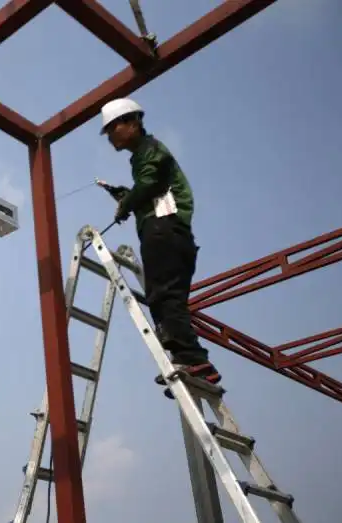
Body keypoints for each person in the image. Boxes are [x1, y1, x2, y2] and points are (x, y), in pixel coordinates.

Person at [99, 97, 221, 393]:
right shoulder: (143, 156)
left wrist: (127, 202)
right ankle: (190, 361)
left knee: (164, 296)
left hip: (164, 231)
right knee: (166, 299)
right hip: (170, 233)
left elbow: (150, 184)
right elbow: (152, 188)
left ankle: (193, 359)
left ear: (130, 122)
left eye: (112, 129)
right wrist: (129, 198)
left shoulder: (149, 151)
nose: (110, 137)